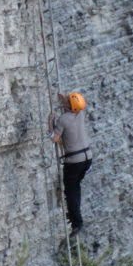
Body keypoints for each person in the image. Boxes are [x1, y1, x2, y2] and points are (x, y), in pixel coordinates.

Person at [50, 91, 92, 237]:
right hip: (86, 158)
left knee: (70, 191)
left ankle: (77, 223)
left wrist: (50, 124)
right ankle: (75, 215)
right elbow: (72, 104)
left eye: (67, 100)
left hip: (74, 161)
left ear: (69, 105)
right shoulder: (80, 114)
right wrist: (64, 99)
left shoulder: (62, 120)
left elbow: (54, 139)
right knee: (76, 188)